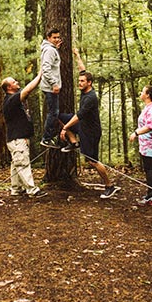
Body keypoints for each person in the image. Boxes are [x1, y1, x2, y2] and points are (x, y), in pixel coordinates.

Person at [57, 49, 121, 199]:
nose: (79, 83)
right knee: (58, 116)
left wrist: (65, 128)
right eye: (79, 81)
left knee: (92, 161)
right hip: (82, 126)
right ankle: (73, 143)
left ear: (89, 83)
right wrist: (77, 56)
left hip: (90, 132)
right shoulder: (85, 89)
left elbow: (78, 116)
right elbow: (82, 69)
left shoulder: (90, 98)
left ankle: (109, 186)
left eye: (82, 81)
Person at [1, 72, 47, 198]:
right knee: (22, 164)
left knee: (16, 164)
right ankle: (32, 190)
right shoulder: (10, 100)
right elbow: (27, 91)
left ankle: (16, 189)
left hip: (16, 139)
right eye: (14, 82)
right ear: (9, 88)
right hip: (17, 139)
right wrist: (39, 76)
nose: (17, 83)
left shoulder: (12, 99)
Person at [129, 84, 152, 206]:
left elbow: (151, 125)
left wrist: (136, 133)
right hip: (148, 144)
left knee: (150, 169)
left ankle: (151, 196)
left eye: (142, 91)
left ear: (147, 95)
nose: (140, 93)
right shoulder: (150, 107)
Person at [39, 28, 63, 148]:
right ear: (48, 38)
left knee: (54, 112)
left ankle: (50, 136)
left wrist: (56, 48)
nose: (57, 39)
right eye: (54, 37)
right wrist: (54, 84)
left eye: (58, 37)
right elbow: (46, 69)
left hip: (48, 86)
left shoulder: (51, 49)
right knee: (54, 112)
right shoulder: (49, 50)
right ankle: (47, 138)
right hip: (50, 87)